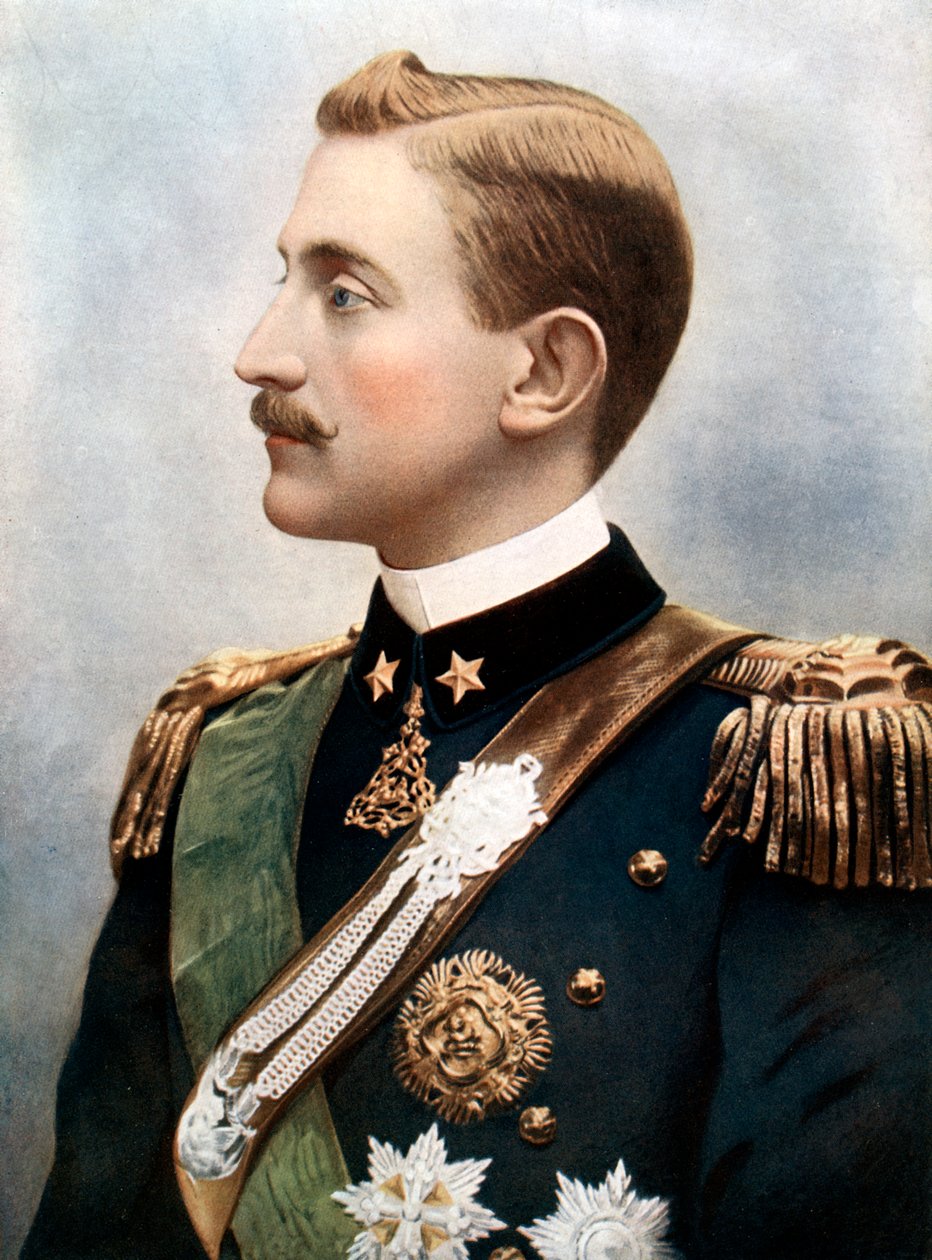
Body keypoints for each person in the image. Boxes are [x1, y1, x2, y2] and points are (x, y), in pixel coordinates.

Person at [23, 51, 930, 1260]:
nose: (260, 353)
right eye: (284, 281)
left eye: (345, 295)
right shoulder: (221, 754)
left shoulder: (784, 779)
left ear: (544, 372)